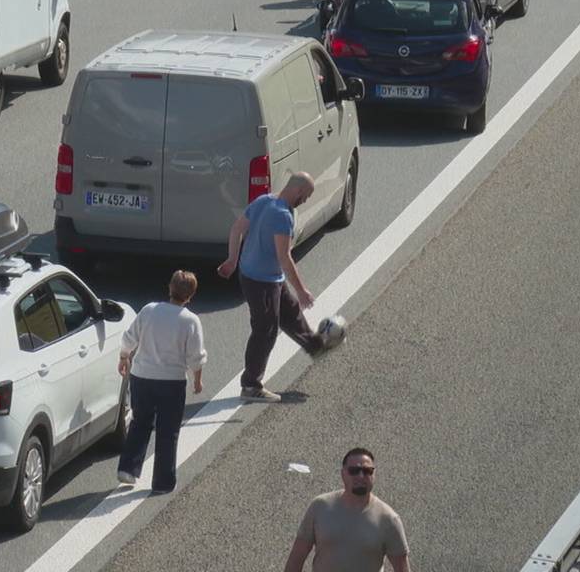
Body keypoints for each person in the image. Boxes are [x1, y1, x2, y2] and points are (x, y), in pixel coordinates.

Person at [217, 172, 341, 403]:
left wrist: (233, 259)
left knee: (291, 312)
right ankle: (251, 385)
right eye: (306, 196)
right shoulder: (283, 216)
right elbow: (284, 257)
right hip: (260, 282)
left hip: (260, 276)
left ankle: (316, 347)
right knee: (265, 330)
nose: (305, 201)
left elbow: (236, 229)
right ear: (298, 192)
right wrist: (302, 289)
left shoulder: (264, 201)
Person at [116, 270, 206, 493]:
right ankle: (163, 482)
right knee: (168, 430)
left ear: (169, 288)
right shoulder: (190, 320)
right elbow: (196, 355)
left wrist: (124, 356)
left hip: (142, 376)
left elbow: (130, 337)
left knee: (140, 421)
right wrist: (197, 379)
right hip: (172, 382)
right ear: (190, 296)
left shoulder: (149, 310)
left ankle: (128, 468)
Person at [285, 448, 411, 572]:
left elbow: (402, 568)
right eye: (354, 471)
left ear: (374, 474)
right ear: (343, 474)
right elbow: (296, 558)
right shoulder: (320, 507)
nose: (361, 476)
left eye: (367, 471)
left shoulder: (388, 519)